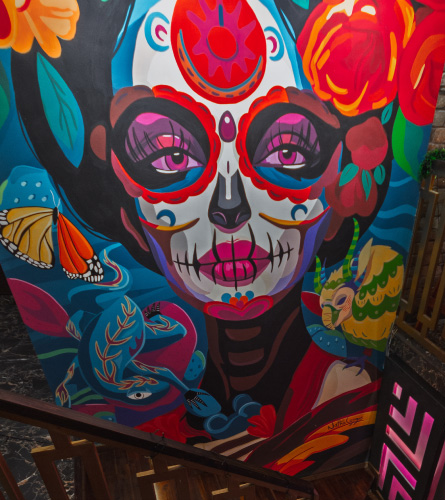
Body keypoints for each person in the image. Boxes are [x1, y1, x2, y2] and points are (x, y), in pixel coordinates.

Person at [9, 0, 415, 472]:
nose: (229, 206)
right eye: (169, 155)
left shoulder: (347, 406)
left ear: (342, 186)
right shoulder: (156, 436)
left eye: (287, 150)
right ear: (126, 209)